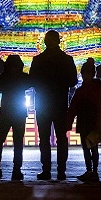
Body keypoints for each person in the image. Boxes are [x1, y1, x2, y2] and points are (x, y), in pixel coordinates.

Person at [29, 29, 78, 181]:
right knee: (61, 138)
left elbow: (32, 80)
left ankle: (46, 170)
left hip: (44, 103)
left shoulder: (38, 60)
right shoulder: (66, 60)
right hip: (59, 103)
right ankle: (61, 171)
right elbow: (73, 81)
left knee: (45, 138)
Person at [0, 54, 32, 181]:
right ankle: (16, 170)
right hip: (19, 112)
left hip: (6, 112)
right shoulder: (24, 77)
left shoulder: (3, 77)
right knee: (18, 142)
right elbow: (30, 84)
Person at [66, 57, 101, 183]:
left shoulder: (96, 91)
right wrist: (68, 123)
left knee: (93, 148)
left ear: (92, 74)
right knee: (86, 148)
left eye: (87, 74)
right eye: (84, 74)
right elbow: (73, 108)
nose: (85, 76)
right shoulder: (82, 91)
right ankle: (90, 170)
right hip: (84, 124)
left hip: (92, 124)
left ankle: (93, 171)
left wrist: (99, 126)